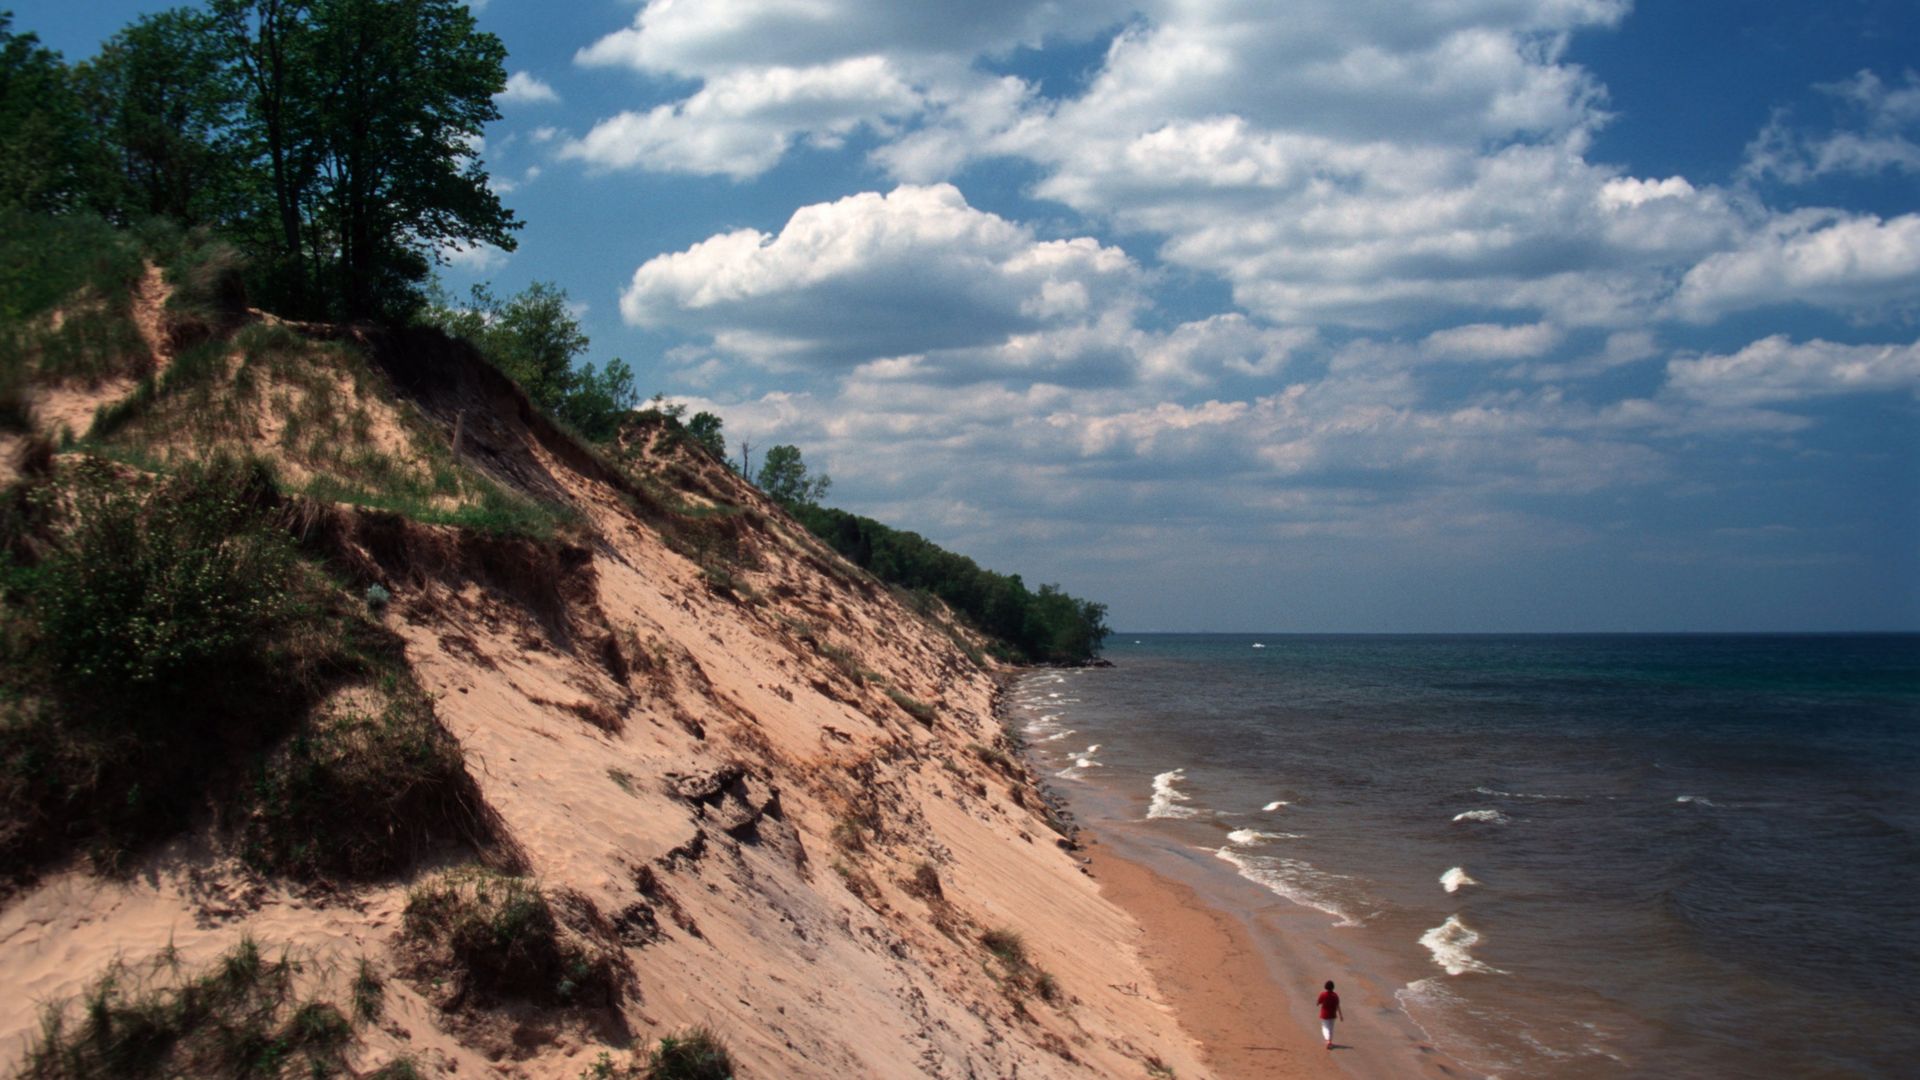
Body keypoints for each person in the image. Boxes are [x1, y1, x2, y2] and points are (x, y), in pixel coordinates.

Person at [1317, 979, 1343, 1049]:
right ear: (1333, 987)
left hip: (1324, 1014)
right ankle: (1330, 1041)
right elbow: (1338, 1006)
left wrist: (1319, 1003)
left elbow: (1318, 1002)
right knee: (1331, 1028)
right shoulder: (1335, 995)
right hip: (1333, 1014)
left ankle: (1328, 1041)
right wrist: (1341, 1015)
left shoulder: (1323, 994)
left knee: (1325, 1027)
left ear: (1325, 987)